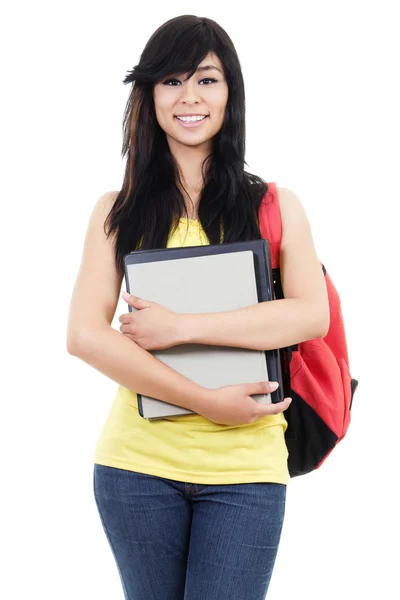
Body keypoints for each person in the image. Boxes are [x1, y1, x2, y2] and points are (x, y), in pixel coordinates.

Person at [66, 14, 329, 600]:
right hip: (136, 468)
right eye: (172, 80)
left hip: (247, 470)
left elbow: (311, 315)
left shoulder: (274, 204)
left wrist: (180, 327)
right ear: (150, 94)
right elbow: (85, 335)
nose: (190, 97)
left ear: (230, 92)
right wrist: (208, 402)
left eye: (207, 79)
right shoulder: (118, 210)